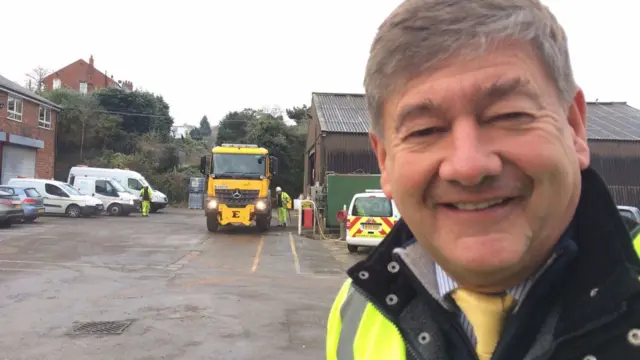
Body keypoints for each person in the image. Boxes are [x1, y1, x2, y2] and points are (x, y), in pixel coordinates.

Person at [326, 1, 640, 359]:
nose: (469, 166)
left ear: (574, 127)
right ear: (384, 160)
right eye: (425, 130)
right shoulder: (356, 310)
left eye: (508, 115)